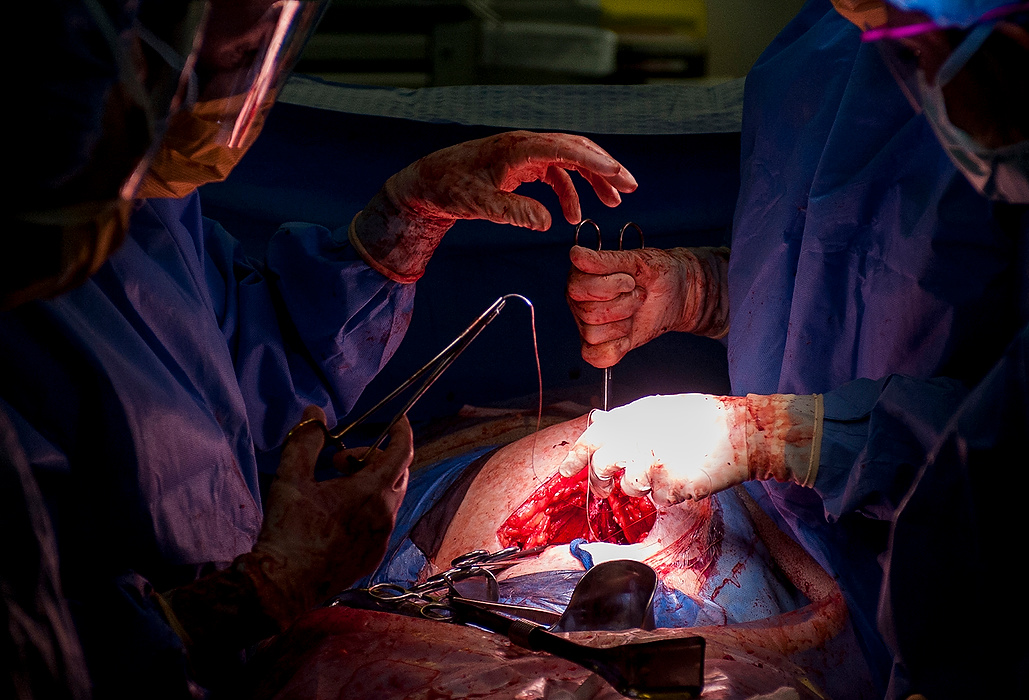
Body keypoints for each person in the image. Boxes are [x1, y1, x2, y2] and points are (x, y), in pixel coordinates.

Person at [3, 0, 638, 696]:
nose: (243, 84)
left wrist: (403, 221)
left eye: (261, 51)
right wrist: (250, 597)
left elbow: (232, 367)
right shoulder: (55, 205)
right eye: (234, 52)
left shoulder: (139, 207)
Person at [560, 0, 1027, 696]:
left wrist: (794, 438)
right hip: (795, 536)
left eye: (920, 53)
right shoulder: (820, 42)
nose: (905, 68)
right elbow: (841, 276)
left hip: (954, 581)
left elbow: (1007, 447)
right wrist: (707, 291)